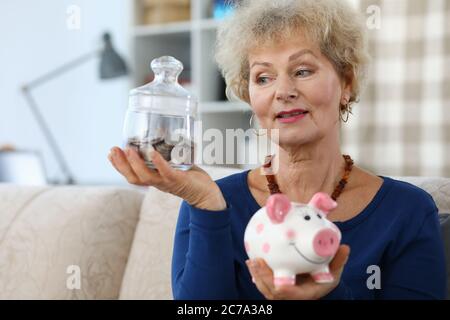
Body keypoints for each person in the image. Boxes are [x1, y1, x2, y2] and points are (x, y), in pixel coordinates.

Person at [108, 0, 446, 299]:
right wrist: (208, 209)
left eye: (302, 71)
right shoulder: (211, 199)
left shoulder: (407, 211)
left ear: (347, 83)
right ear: (249, 95)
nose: (283, 91)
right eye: (263, 78)